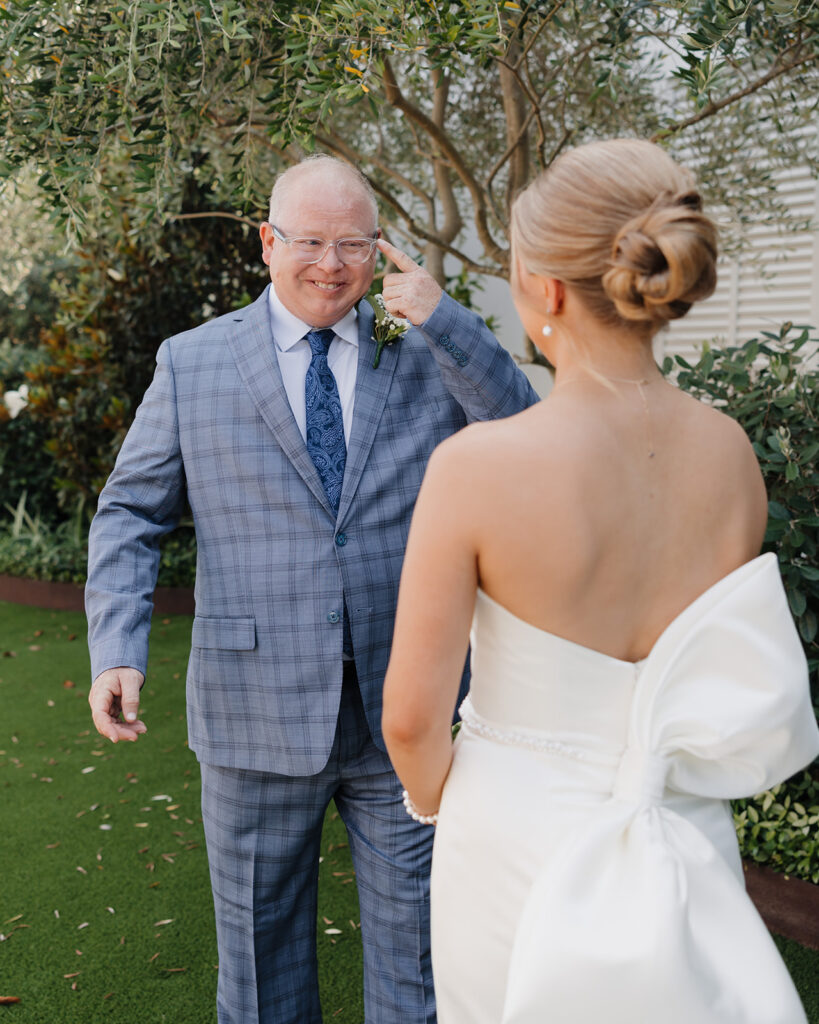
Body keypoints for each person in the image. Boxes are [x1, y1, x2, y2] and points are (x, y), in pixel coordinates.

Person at [85, 155, 538, 1024]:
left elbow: (523, 437)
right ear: (268, 243)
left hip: (404, 711)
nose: (332, 265)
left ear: (379, 251)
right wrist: (118, 650)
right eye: (311, 242)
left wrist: (451, 322)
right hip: (251, 714)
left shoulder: (424, 348)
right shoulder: (193, 363)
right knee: (260, 972)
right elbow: (129, 512)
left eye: (355, 245)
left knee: (420, 960)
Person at [382, 138, 819, 1023]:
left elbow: (410, 720)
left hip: (514, 841)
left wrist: (452, 808)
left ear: (544, 291)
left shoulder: (477, 467)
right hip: (681, 828)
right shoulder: (730, 455)